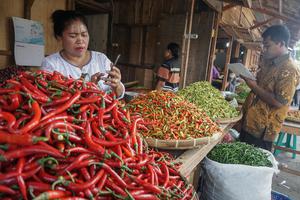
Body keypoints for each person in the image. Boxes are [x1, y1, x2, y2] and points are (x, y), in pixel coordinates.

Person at [240, 25, 300, 151]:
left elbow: (279, 102)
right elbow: (262, 86)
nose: (264, 49)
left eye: (268, 46)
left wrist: (253, 85)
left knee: (254, 166)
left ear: (281, 43)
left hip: (262, 130)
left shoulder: (289, 68)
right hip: (249, 121)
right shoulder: (269, 62)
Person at [41, 10, 125, 98]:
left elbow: (118, 95)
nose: (80, 40)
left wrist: (117, 85)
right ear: (59, 37)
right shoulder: (51, 64)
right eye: (73, 36)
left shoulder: (101, 59)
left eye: (84, 35)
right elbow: (49, 99)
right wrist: (88, 90)